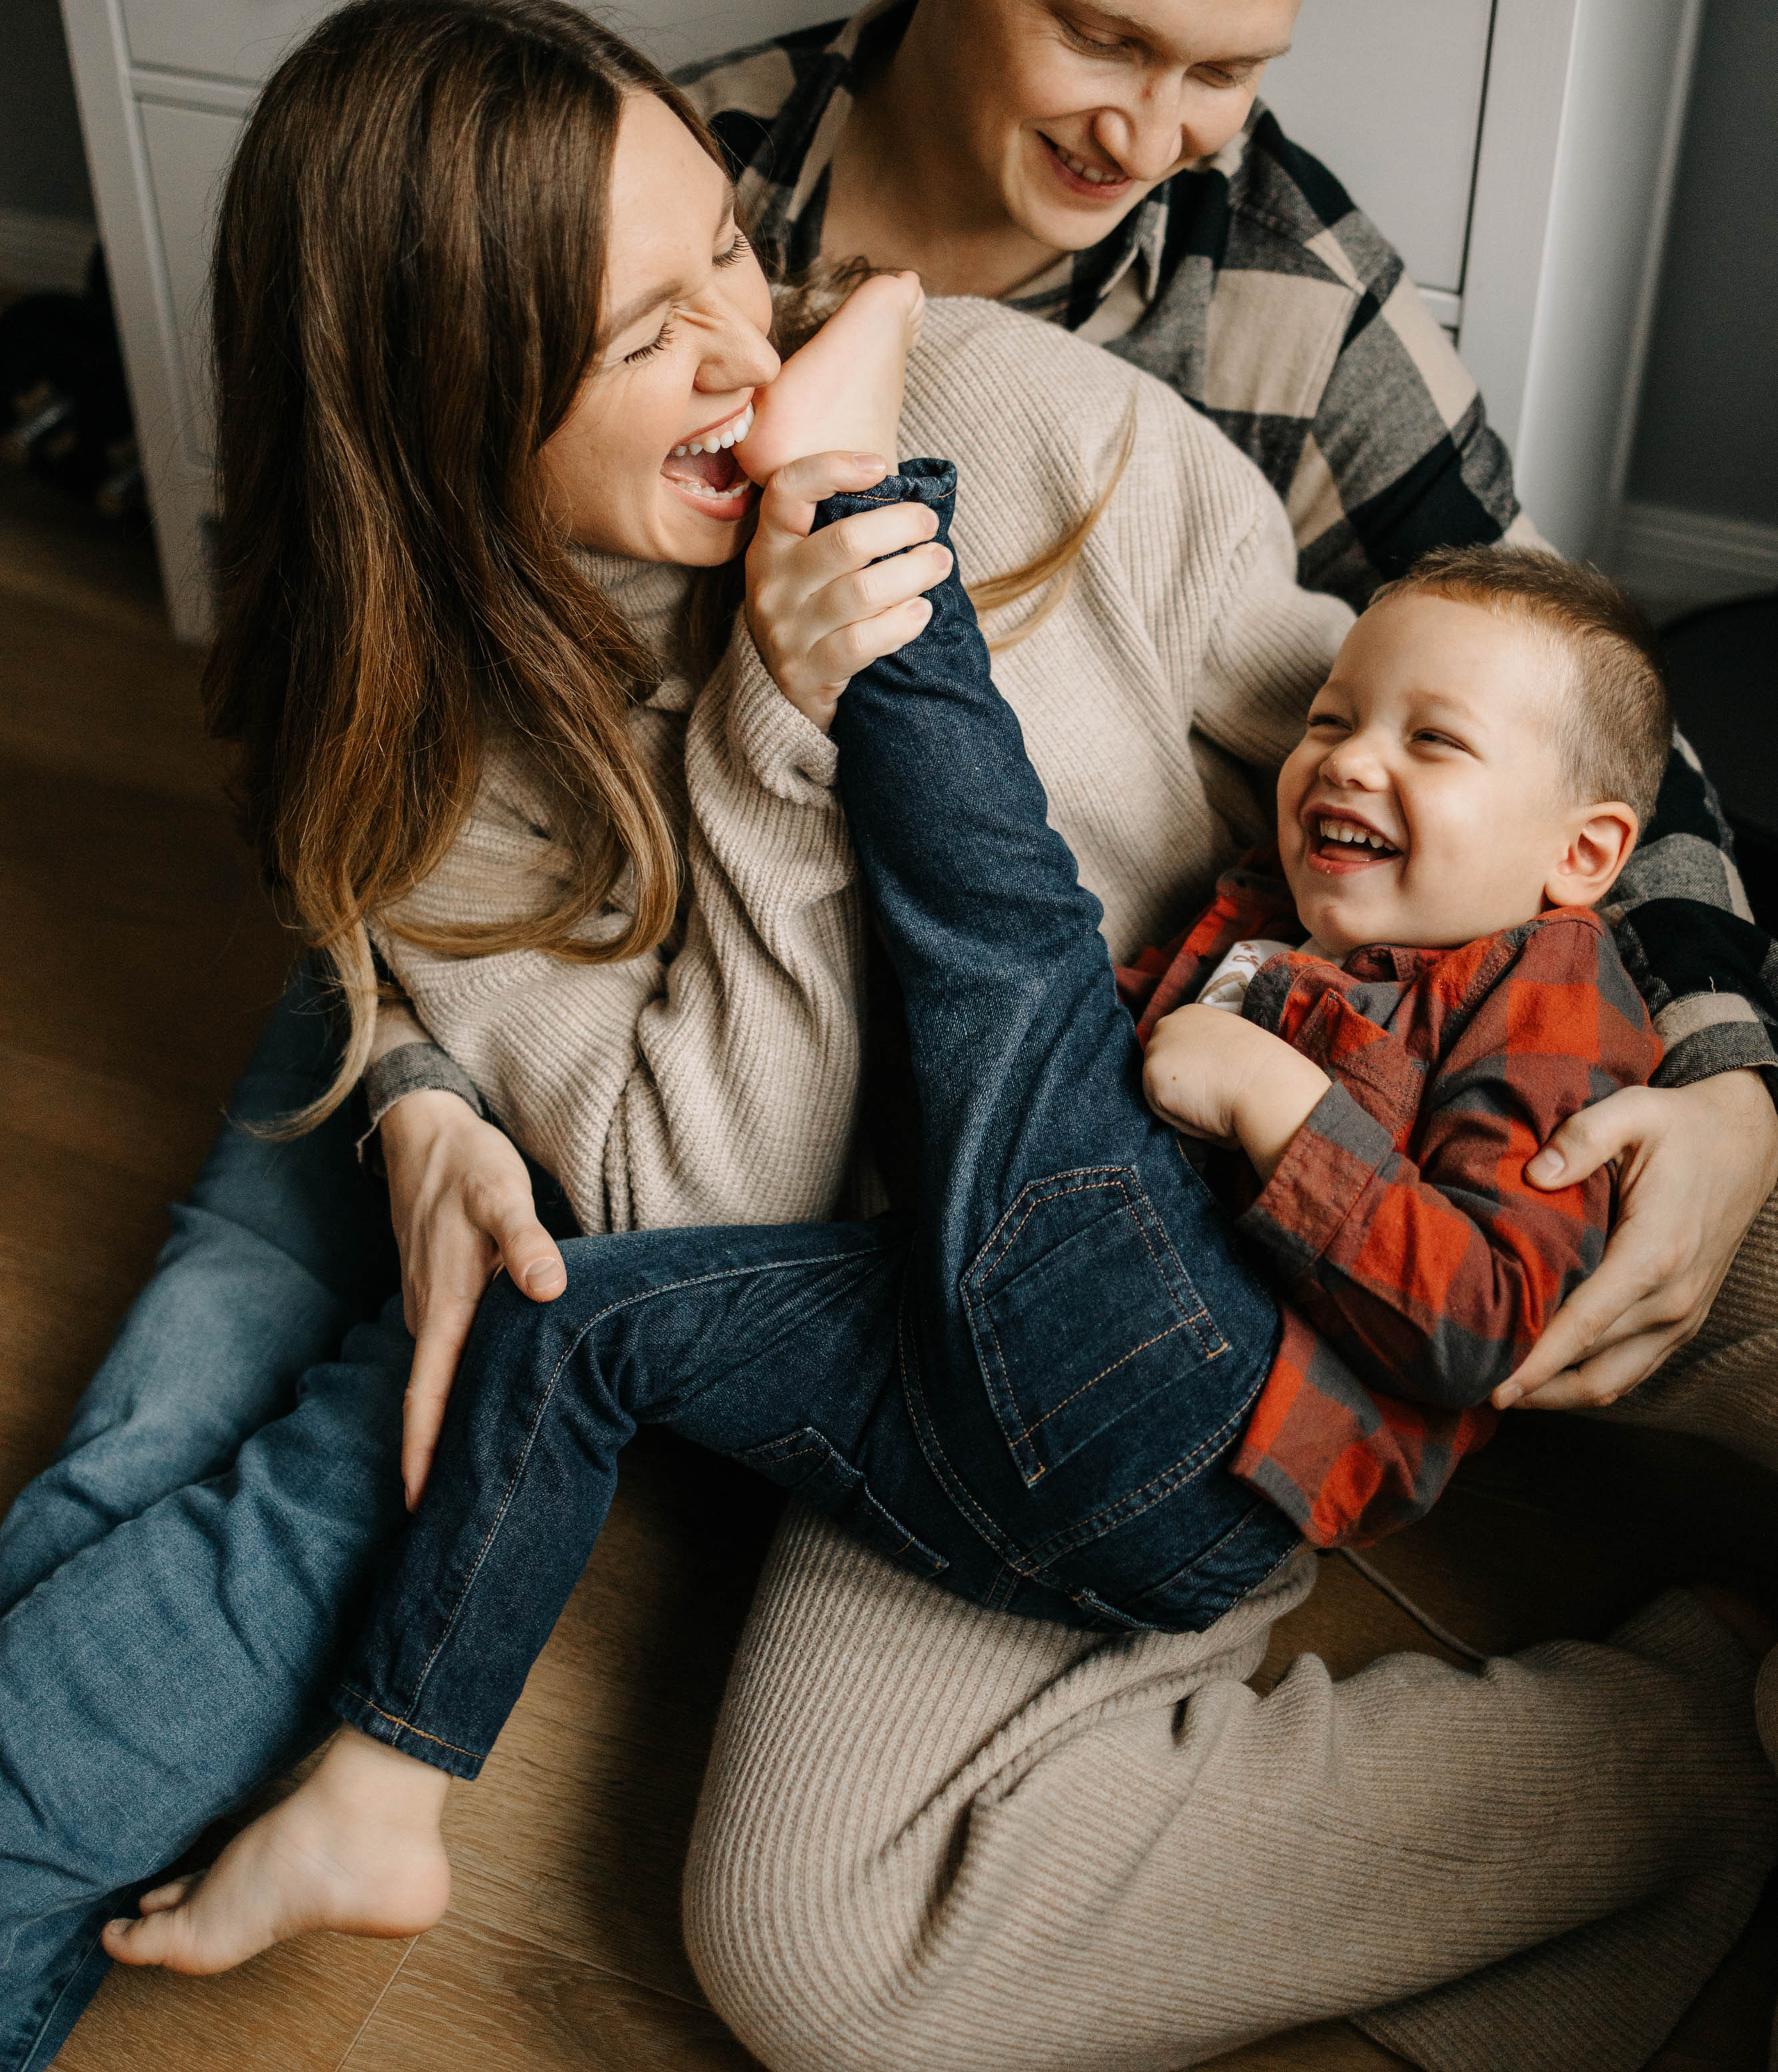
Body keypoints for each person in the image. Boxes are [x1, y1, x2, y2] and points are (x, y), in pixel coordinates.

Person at [1, 0, 1775, 2072]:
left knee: (1731, 1208)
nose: (760, 341)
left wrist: (1706, 1060)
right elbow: (719, 1194)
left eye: (738, 262)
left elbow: (1467, 712)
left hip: (1361, 1087)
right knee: (817, 1955)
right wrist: (779, 692)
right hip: (983, 1366)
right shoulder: (482, 786)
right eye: (655, 328)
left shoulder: (1032, 388)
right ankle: (1670, 1764)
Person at [96, 528, 1681, 1982]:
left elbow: (1485, 1323)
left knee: (1007, 949)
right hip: (998, 1440)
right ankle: (383, 1792)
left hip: (1207, 1440)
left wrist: (1280, 1111)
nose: (1345, 758)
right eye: (1332, 719)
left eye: (1432, 740)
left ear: (1581, 854)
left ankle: (878, 522)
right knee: (567, 1316)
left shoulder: (1545, 997)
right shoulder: (1261, 915)